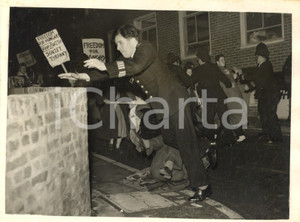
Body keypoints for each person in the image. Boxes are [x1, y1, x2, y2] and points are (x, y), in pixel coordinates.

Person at [59, 24, 214, 201]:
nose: (117, 47)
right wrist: (84, 76)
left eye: (120, 43)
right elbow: (110, 73)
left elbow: (136, 66)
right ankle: (203, 147)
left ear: (132, 40)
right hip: (162, 106)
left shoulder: (145, 49)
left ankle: (203, 186)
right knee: (171, 139)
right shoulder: (128, 59)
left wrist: (104, 65)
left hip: (176, 101)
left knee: (185, 144)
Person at [233, 43, 283, 144]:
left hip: (271, 94)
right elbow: (253, 70)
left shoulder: (266, 66)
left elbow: (258, 78)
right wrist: (241, 70)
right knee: (263, 113)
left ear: (262, 56)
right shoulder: (262, 65)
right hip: (265, 94)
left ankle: (276, 137)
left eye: (257, 56)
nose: (256, 58)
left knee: (270, 114)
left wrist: (246, 82)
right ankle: (267, 133)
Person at [191, 49, 236, 148]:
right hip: (220, 96)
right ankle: (230, 141)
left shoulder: (198, 70)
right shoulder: (214, 67)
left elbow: (191, 82)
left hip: (209, 99)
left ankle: (210, 140)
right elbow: (223, 78)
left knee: (208, 120)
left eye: (197, 59)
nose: (197, 61)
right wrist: (228, 84)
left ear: (200, 59)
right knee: (224, 118)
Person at [215, 54, 246, 142]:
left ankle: (239, 134)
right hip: (230, 95)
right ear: (217, 62)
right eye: (221, 60)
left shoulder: (225, 70)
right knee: (228, 115)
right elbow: (230, 80)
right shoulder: (220, 71)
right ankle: (238, 134)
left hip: (231, 95)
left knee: (230, 115)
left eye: (224, 60)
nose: (224, 61)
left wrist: (235, 73)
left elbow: (232, 79)